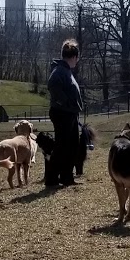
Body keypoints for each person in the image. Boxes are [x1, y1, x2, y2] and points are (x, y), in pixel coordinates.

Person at [47, 38, 83, 187]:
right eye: (77, 58)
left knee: (72, 146)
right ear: (73, 57)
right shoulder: (59, 71)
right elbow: (53, 86)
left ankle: (67, 177)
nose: (77, 61)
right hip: (62, 113)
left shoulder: (65, 70)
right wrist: (65, 102)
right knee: (61, 146)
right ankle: (51, 179)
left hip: (69, 114)